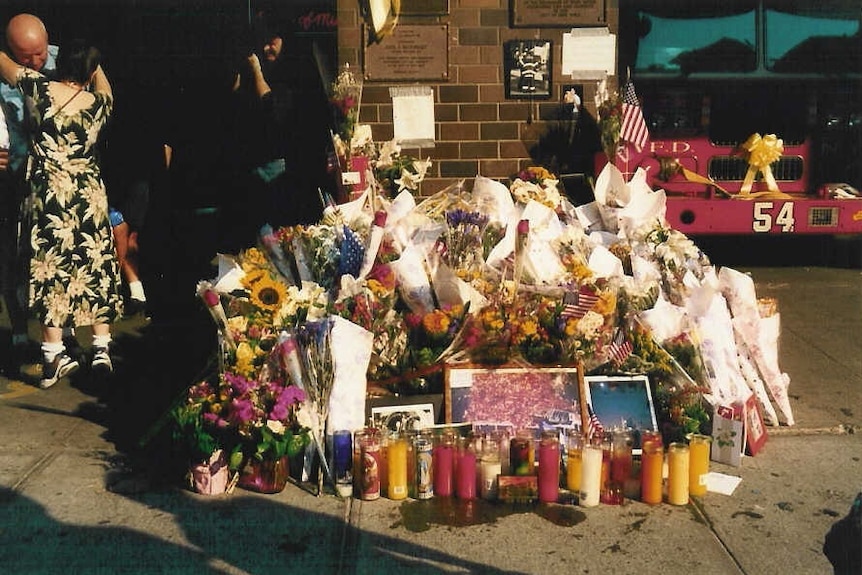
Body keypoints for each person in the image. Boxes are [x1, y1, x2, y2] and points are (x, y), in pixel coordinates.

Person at [0, 39, 122, 388]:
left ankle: (52, 355)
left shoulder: (38, 87)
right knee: (95, 263)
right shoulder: (99, 105)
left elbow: (3, 64)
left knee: (49, 266)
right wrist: (96, 69)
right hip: (89, 194)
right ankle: (101, 348)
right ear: (89, 70)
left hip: (50, 193)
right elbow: (106, 88)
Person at [220, 18, 331, 253]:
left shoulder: (290, 74)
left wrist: (258, 73)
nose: (267, 47)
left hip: (281, 172)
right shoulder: (246, 77)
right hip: (252, 171)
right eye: (263, 42)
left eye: (273, 41)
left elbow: (272, 112)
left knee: (277, 241)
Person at [0, 13, 59, 374]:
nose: (36, 62)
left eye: (39, 53)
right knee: (13, 256)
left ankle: (58, 338)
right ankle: (20, 333)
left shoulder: (65, 62)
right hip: (14, 180)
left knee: (53, 260)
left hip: (54, 181)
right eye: (27, 58)